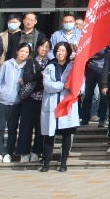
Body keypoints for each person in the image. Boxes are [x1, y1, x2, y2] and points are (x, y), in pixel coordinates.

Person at [40, 42, 82, 172]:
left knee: (67, 135)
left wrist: (78, 90)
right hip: (52, 103)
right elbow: (47, 85)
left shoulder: (74, 66)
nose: (60, 53)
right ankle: (46, 162)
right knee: (49, 135)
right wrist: (63, 85)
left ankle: (63, 162)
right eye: (58, 50)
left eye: (63, 51)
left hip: (67, 104)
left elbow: (81, 84)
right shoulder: (50, 67)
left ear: (68, 52)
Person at [0, 42, 30, 164]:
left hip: (16, 103)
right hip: (1, 101)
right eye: (22, 51)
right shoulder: (7, 64)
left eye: (26, 52)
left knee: (12, 129)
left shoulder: (27, 67)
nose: (23, 54)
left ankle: (8, 153)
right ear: (17, 51)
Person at [16, 39, 50, 163]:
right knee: (26, 126)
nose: (44, 49)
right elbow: (26, 78)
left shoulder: (51, 63)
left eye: (47, 47)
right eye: (42, 46)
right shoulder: (31, 62)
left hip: (44, 100)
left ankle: (36, 151)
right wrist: (40, 74)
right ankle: (24, 152)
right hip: (30, 99)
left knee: (41, 127)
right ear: (37, 48)